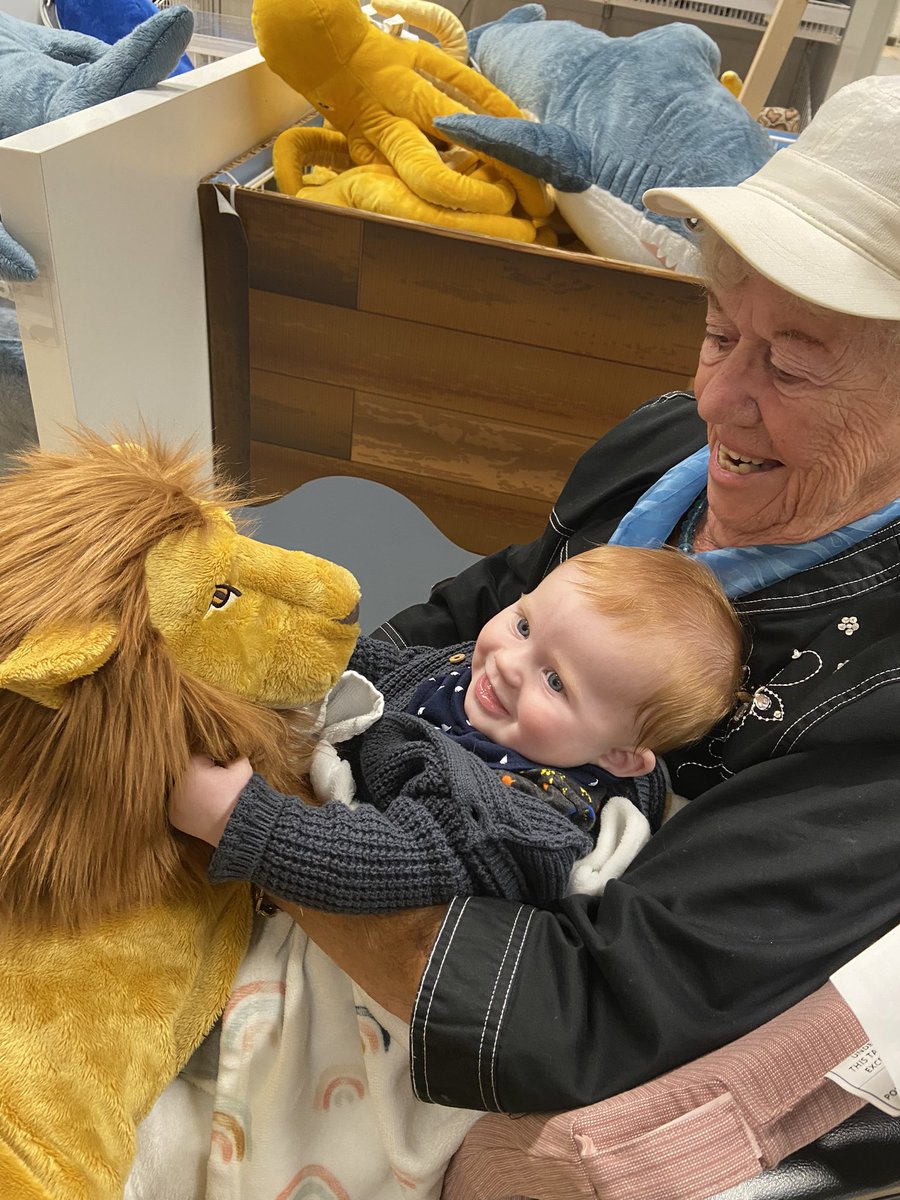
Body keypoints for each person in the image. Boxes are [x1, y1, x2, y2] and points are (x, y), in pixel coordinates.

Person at [200, 73, 900, 1121]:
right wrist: (309, 700)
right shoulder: (661, 447)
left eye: (791, 369)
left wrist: (265, 821)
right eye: (718, 334)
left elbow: (589, 1009)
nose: (716, 398)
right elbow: (477, 604)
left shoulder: (872, 703)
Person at [170, 545, 744, 912]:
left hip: (328, 867)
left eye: (555, 682)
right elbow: (389, 671)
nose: (508, 664)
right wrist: (285, 649)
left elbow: (389, 865)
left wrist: (237, 820)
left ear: (619, 756)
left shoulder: (520, 817)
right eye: (523, 624)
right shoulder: (478, 676)